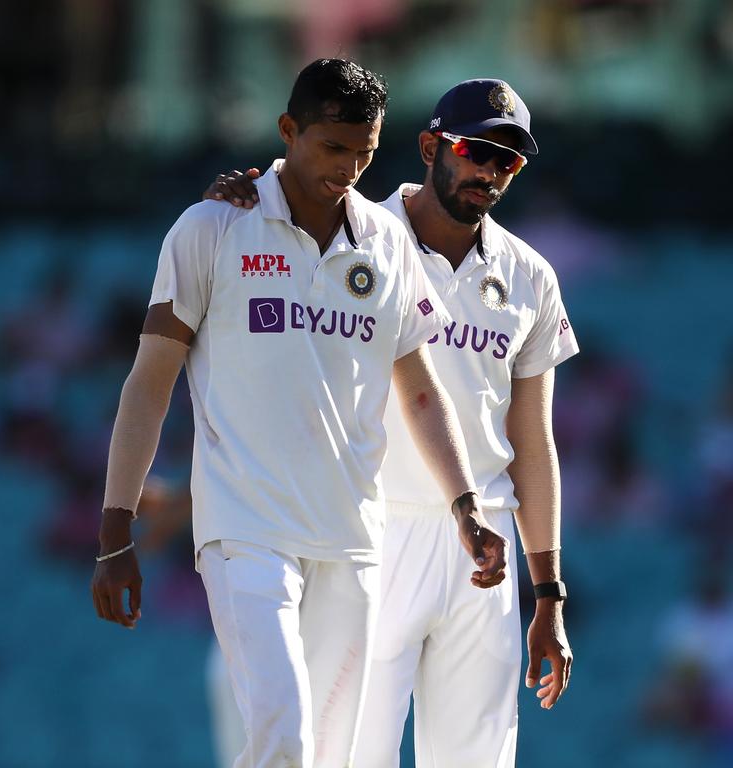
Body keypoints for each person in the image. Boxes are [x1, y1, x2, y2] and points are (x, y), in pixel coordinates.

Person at [91, 59, 509, 768]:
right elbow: (149, 383)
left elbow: (419, 388)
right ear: (289, 131)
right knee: (283, 733)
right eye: (332, 147)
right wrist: (114, 528)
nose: (348, 168)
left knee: (328, 758)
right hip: (246, 532)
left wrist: (465, 504)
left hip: (352, 538)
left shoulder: (386, 245)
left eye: (366, 151)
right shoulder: (213, 227)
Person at [204, 77, 578, 768]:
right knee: (345, 755)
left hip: (482, 550)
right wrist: (242, 199)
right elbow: (263, 246)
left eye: (508, 160)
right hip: (369, 529)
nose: (488, 171)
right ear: (432, 144)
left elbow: (533, 439)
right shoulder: (354, 228)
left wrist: (548, 591)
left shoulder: (530, 276)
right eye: (475, 150)